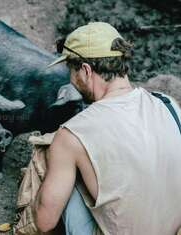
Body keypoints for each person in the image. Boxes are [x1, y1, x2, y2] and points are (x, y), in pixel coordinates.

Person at [32, 22, 181, 234]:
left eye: (71, 71)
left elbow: (44, 222)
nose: (70, 79)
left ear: (85, 71)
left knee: (68, 175)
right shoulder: (168, 104)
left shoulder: (72, 135)